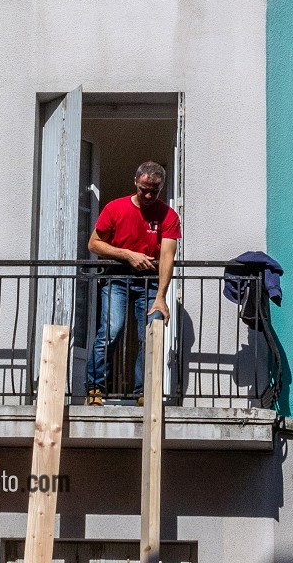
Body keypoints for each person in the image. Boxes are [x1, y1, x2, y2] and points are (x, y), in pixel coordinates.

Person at [85, 160, 181, 406]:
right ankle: (95, 389)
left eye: (154, 191)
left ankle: (144, 393)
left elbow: (168, 256)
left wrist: (162, 297)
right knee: (111, 331)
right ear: (135, 182)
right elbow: (94, 244)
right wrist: (128, 255)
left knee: (149, 334)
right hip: (116, 278)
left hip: (149, 282)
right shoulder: (115, 208)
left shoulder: (168, 216)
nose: (148, 195)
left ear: (161, 188)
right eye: (144, 189)